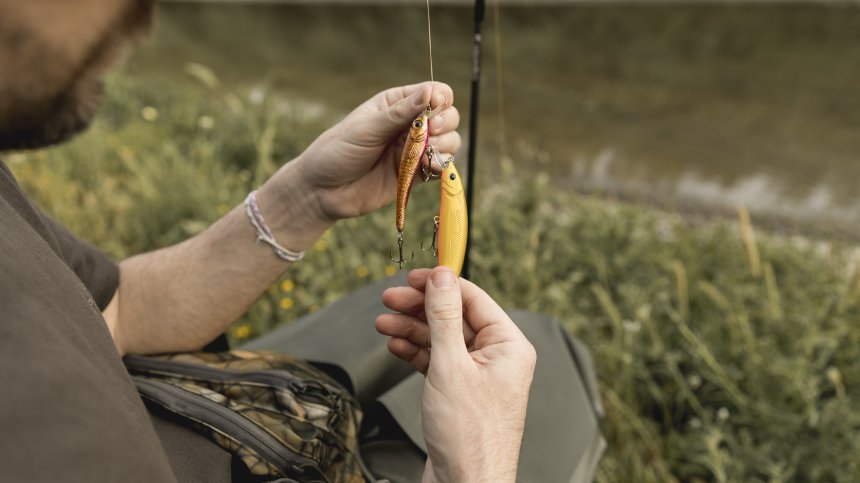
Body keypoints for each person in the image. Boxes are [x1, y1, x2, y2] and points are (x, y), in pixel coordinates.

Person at [0, 0, 541, 481]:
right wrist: (477, 467)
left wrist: (305, 199)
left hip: (270, 424)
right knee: (547, 351)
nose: (145, 17)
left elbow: (115, 310)